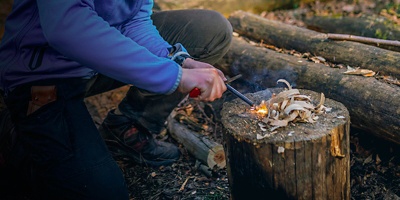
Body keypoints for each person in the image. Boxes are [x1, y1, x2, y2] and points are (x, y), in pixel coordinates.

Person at [0, 0, 232, 199]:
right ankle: (18, 132)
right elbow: (66, 25)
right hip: (44, 74)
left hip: (96, 60)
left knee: (211, 29)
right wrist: (174, 76)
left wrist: (181, 61)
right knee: (99, 192)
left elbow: (134, 21)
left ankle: (125, 131)